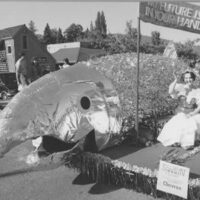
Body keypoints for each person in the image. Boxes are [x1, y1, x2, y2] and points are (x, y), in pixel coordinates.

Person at [157, 70, 200, 150]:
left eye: (190, 78)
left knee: (192, 123)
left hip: (192, 113)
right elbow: (170, 92)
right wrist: (175, 80)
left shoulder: (197, 91)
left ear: (193, 79)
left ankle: (189, 142)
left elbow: (199, 106)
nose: (188, 80)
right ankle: (181, 141)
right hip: (181, 113)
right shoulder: (180, 87)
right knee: (181, 121)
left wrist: (192, 114)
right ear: (184, 79)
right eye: (186, 78)